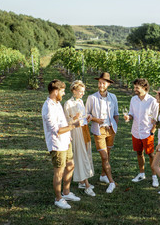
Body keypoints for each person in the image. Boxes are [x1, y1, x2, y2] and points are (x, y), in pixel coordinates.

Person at [42, 79, 81, 209]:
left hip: (65, 141)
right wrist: (74, 125)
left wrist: (71, 126)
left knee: (70, 166)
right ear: (56, 91)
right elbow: (56, 130)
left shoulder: (57, 103)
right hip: (57, 144)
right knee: (59, 172)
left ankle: (66, 192)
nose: (64, 94)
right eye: (63, 91)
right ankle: (58, 199)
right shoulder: (48, 107)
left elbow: (62, 123)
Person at [86, 72, 118, 193]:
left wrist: (115, 126)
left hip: (110, 129)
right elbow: (86, 114)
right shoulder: (92, 98)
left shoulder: (113, 97)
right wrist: (95, 119)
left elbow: (116, 114)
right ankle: (111, 182)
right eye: (99, 82)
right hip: (99, 130)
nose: (100, 85)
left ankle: (103, 175)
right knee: (104, 156)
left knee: (107, 154)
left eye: (103, 83)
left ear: (108, 84)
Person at [124, 78, 159, 187]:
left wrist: (152, 131)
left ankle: (154, 176)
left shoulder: (152, 101)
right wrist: (128, 117)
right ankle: (141, 173)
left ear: (144, 88)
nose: (135, 89)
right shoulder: (133, 99)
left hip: (147, 132)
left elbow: (156, 119)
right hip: (136, 131)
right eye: (134, 87)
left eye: (137, 88)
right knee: (139, 153)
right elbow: (131, 114)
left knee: (151, 154)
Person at [64, 80, 96, 197]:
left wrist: (86, 117)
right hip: (76, 131)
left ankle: (82, 181)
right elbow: (67, 122)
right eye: (80, 91)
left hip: (84, 130)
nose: (82, 94)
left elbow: (82, 116)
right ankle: (87, 185)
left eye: (83, 92)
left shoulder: (81, 101)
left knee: (86, 154)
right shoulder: (68, 104)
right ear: (74, 91)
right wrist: (75, 118)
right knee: (80, 156)